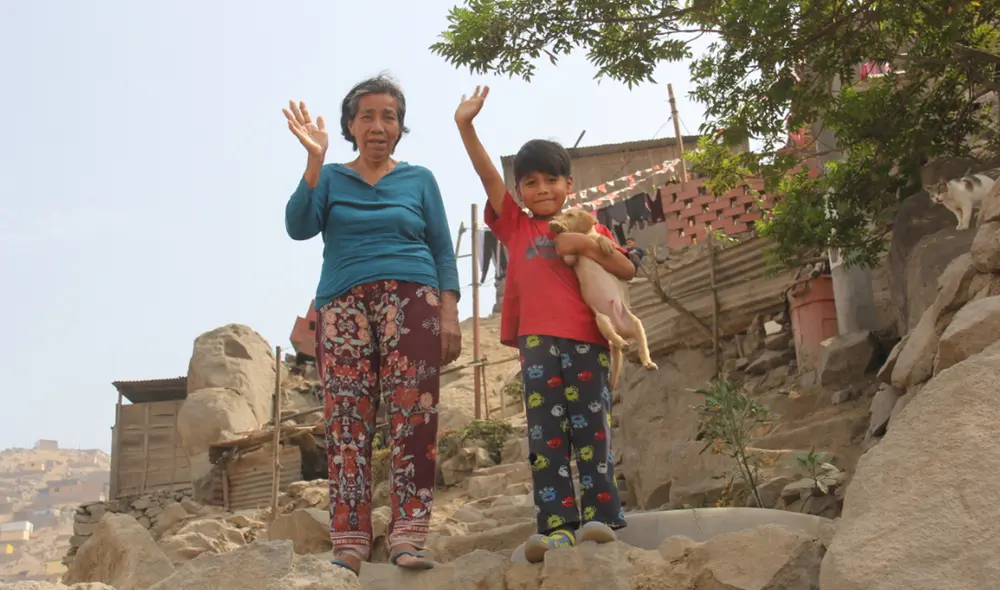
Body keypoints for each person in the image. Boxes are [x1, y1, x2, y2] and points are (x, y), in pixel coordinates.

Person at [283, 74, 462, 577]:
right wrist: (314, 160)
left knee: (414, 414)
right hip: (342, 303)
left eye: (389, 116)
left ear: (401, 128)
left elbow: (443, 249)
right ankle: (350, 539)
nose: (378, 126)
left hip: (413, 296)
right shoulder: (333, 177)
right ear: (349, 125)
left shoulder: (420, 179)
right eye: (367, 116)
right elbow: (298, 226)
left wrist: (449, 313)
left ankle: (407, 534)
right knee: (346, 420)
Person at [454, 86, 633, 564]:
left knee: (592, 429)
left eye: (551, 180)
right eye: (530, 183)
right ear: (520, 193)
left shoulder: (587, 224)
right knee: (545, 439)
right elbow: (488, 174)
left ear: (569, 185)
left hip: (587, 342)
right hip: (536, 345)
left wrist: (593, 245)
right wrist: (465, 127)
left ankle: (602, 517)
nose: (542, 190)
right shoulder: (516, 225)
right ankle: (557, 526)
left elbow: (628, 270)